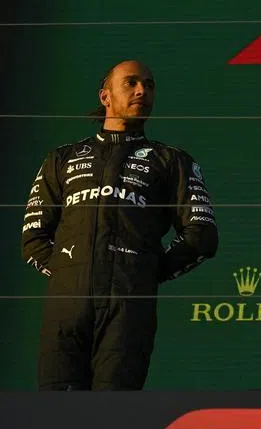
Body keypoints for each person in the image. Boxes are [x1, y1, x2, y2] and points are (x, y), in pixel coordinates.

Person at [20, 60, 219, 390]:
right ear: (105, 96)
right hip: (65, 311)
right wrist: (70, 274)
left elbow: (202, 235)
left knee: (112, 417)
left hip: (128, 312)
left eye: (150, 85)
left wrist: (143, 271)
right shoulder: (61, 158)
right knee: (53, 420)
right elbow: (33, 239)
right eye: (131, 83)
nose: (143, 90)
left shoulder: (172, 161)